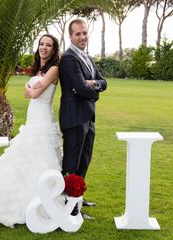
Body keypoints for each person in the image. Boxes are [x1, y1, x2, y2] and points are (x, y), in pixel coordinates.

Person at [0, 34, 62, 227]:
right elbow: (28, 95)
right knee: (25, 158)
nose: (44, 48)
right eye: (42, 44)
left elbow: (33, 93)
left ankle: (43, 206)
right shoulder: (38, 69)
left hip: (43, 119)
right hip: (32, 118)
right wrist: (29, 88)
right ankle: (21, 204)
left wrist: (27, 85)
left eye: (48, 45)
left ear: (53, 49)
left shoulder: (54, 69)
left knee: (41, 159)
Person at [59, 19, 107, 215]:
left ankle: (77, 198)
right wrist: (94, 90)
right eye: (78, 34)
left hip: (88, 117)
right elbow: (80, 87)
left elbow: (104, 82)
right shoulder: (69, 58)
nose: (82, 37)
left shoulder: (87, 57)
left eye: (84, 33)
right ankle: (69, 209)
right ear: (70, 36)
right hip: (74, 118)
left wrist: (92, 84)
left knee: (84, 160)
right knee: (72, 163)